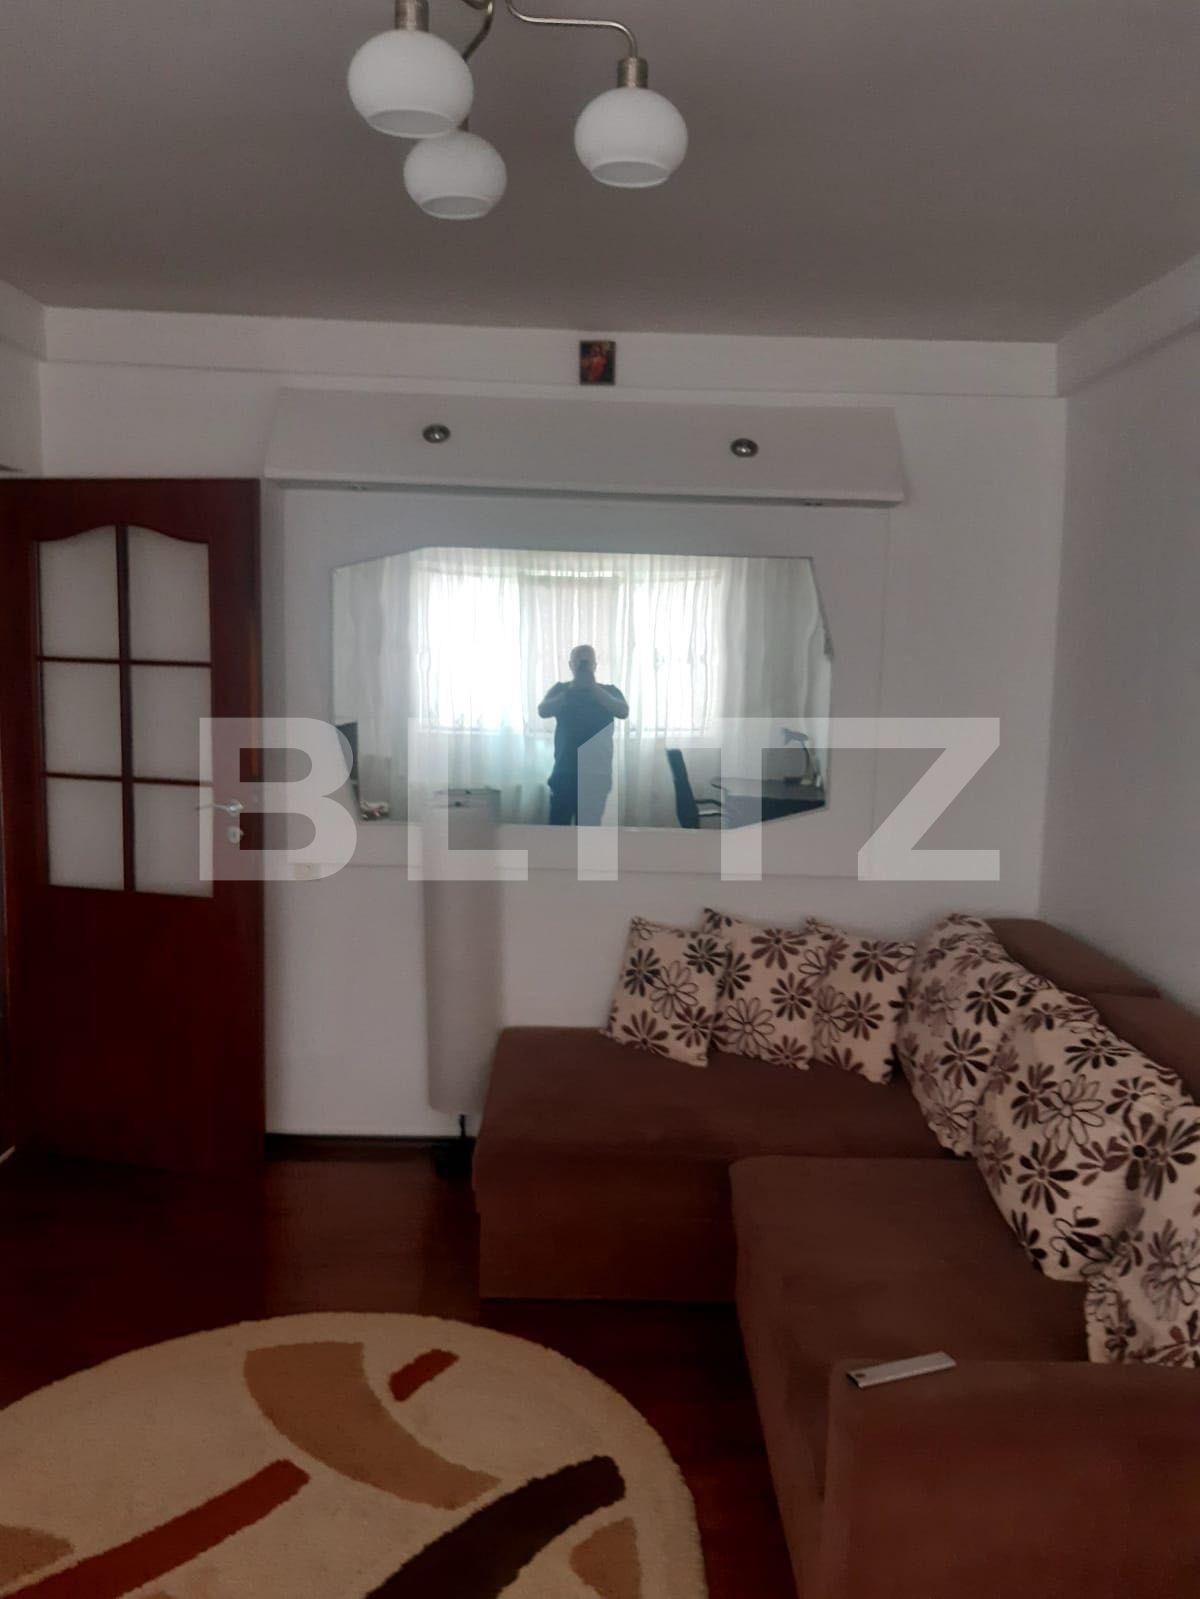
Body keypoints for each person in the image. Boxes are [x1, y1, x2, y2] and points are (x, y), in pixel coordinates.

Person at [538, 646, 629, 825]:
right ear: (570, 665)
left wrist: (593, 688)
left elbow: (622, 711)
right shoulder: (561, 689)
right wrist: (571, 691)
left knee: (588, 833)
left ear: (595, 665)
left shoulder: (609, 690)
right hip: (564, 771)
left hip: (596, 774)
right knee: (557, 832)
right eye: (579, 661)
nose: (583, 666)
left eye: (587, 662)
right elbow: (543, 710)